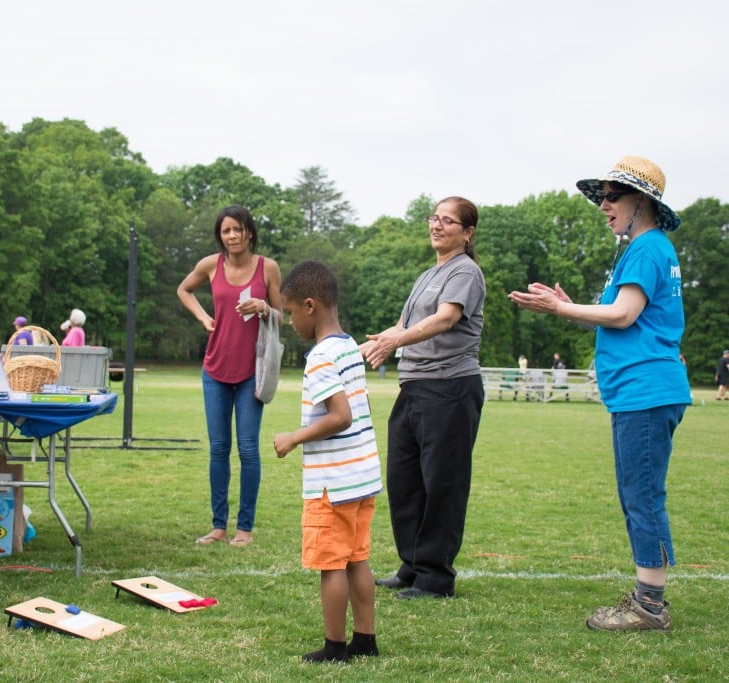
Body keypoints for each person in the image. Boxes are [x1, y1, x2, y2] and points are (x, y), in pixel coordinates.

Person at [509, 155, 691, 631]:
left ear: (641, 202)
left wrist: (559, 310)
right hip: (642, 391)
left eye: (613, 196)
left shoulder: (648, 248)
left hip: (646, 391)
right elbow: (622, 312)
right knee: (640, 492)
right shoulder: (645, 248)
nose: (603, 205)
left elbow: (625, 315)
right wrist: (573, 306)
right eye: (602, 196)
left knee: (642, 495)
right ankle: (648, 598)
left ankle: (650, 606)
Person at [360, 196, 486, 599]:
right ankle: (412, 565)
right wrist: (380, 342)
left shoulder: (465, 272)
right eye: (435, 217)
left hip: (450, 388)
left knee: (441, 484)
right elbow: (405, 322)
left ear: (467, 233)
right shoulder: (427, 274)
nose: (438, 225)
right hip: (413, 387)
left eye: (449, 221)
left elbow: (446, 317)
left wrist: (398, 338)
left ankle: (436, 577)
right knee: (405, 481)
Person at [273, 260, 381, 663]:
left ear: (310, 305)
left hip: (332, 484)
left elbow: (341, 415)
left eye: (290, 312)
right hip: (362, 476)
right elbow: (362, 405)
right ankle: (365, 640)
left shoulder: (319, 358)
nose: (289, 321)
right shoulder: (349, 347)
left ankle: (336, 647)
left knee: (331, 565)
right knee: (358, 559)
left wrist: (292, 438)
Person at [177, 205, 281, 547]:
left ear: (249, 232)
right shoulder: (211, 265)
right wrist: (203, 318)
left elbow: (286, 316)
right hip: (215, 370)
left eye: (238, 229)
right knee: (219, 449)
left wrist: (264, 308)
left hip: (252, 372)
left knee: (248, 449)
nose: (233, 236)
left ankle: (244, 529)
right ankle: (218, 526)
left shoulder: (268, 268)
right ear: (220, 236)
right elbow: (183, 290)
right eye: (226, 231)